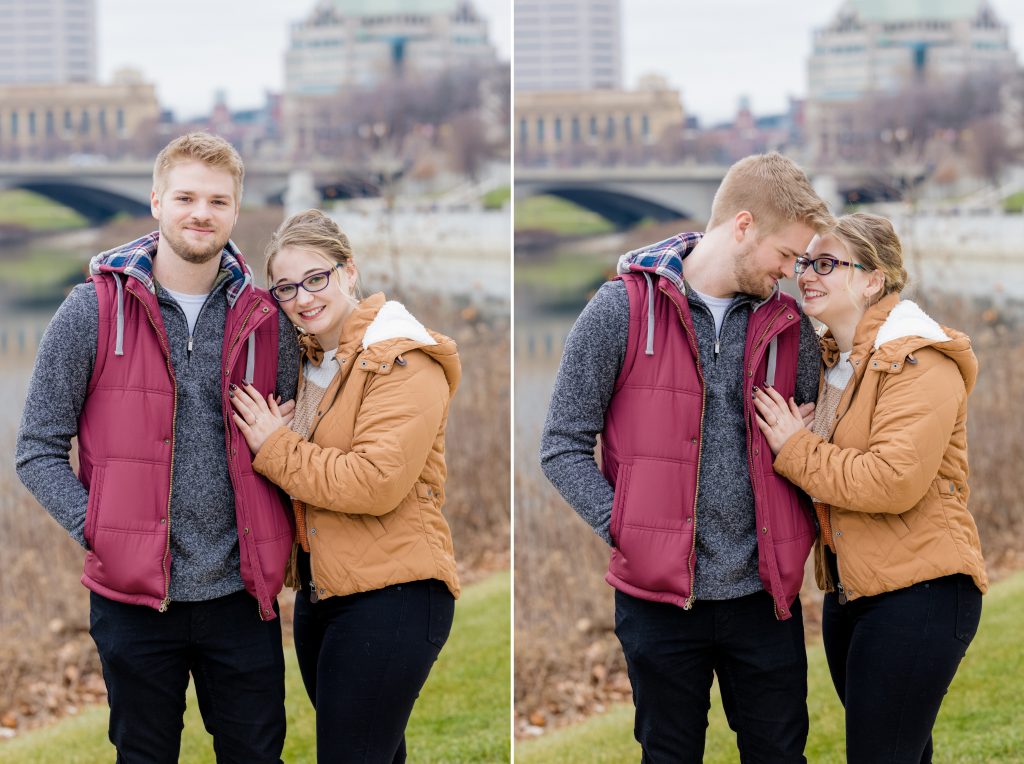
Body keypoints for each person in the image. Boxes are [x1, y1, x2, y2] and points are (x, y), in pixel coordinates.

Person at [15, 132, 300, 763]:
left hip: (240, 596)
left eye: (218, 201)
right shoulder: (91, 310)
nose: (202, 213)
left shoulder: (266, 319)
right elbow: (36, 449)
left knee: (257, 756)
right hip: (134, 602)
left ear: (235, 210)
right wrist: (100, 530)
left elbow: (292, 440)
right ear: (155, 202)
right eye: (186, 197)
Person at [540, 152, 833, 762]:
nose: (790, 273)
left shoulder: (790, 327)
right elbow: (561, 445)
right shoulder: (618, 310)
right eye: (786, 254)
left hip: (765, 599)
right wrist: (626, 528)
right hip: (658, 604)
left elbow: (814, 446)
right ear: (744, 225)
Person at [227, 209, 460, 763]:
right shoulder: (307, 365)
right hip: (322, 596)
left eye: (316, 278)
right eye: (286, 288)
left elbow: (375, 481)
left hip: (395, 596)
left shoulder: (399, 357)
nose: (303, 298)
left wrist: (274, 445)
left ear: (349, 270)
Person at [753, 212, 987, 764]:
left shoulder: (917, 359)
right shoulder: (835, 364)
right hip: (852, 594)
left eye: (828, 263)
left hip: (923, 592)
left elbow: (892, 481)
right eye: (806, 261)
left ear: (873, 279)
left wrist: (796, 448)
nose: (807, 273)